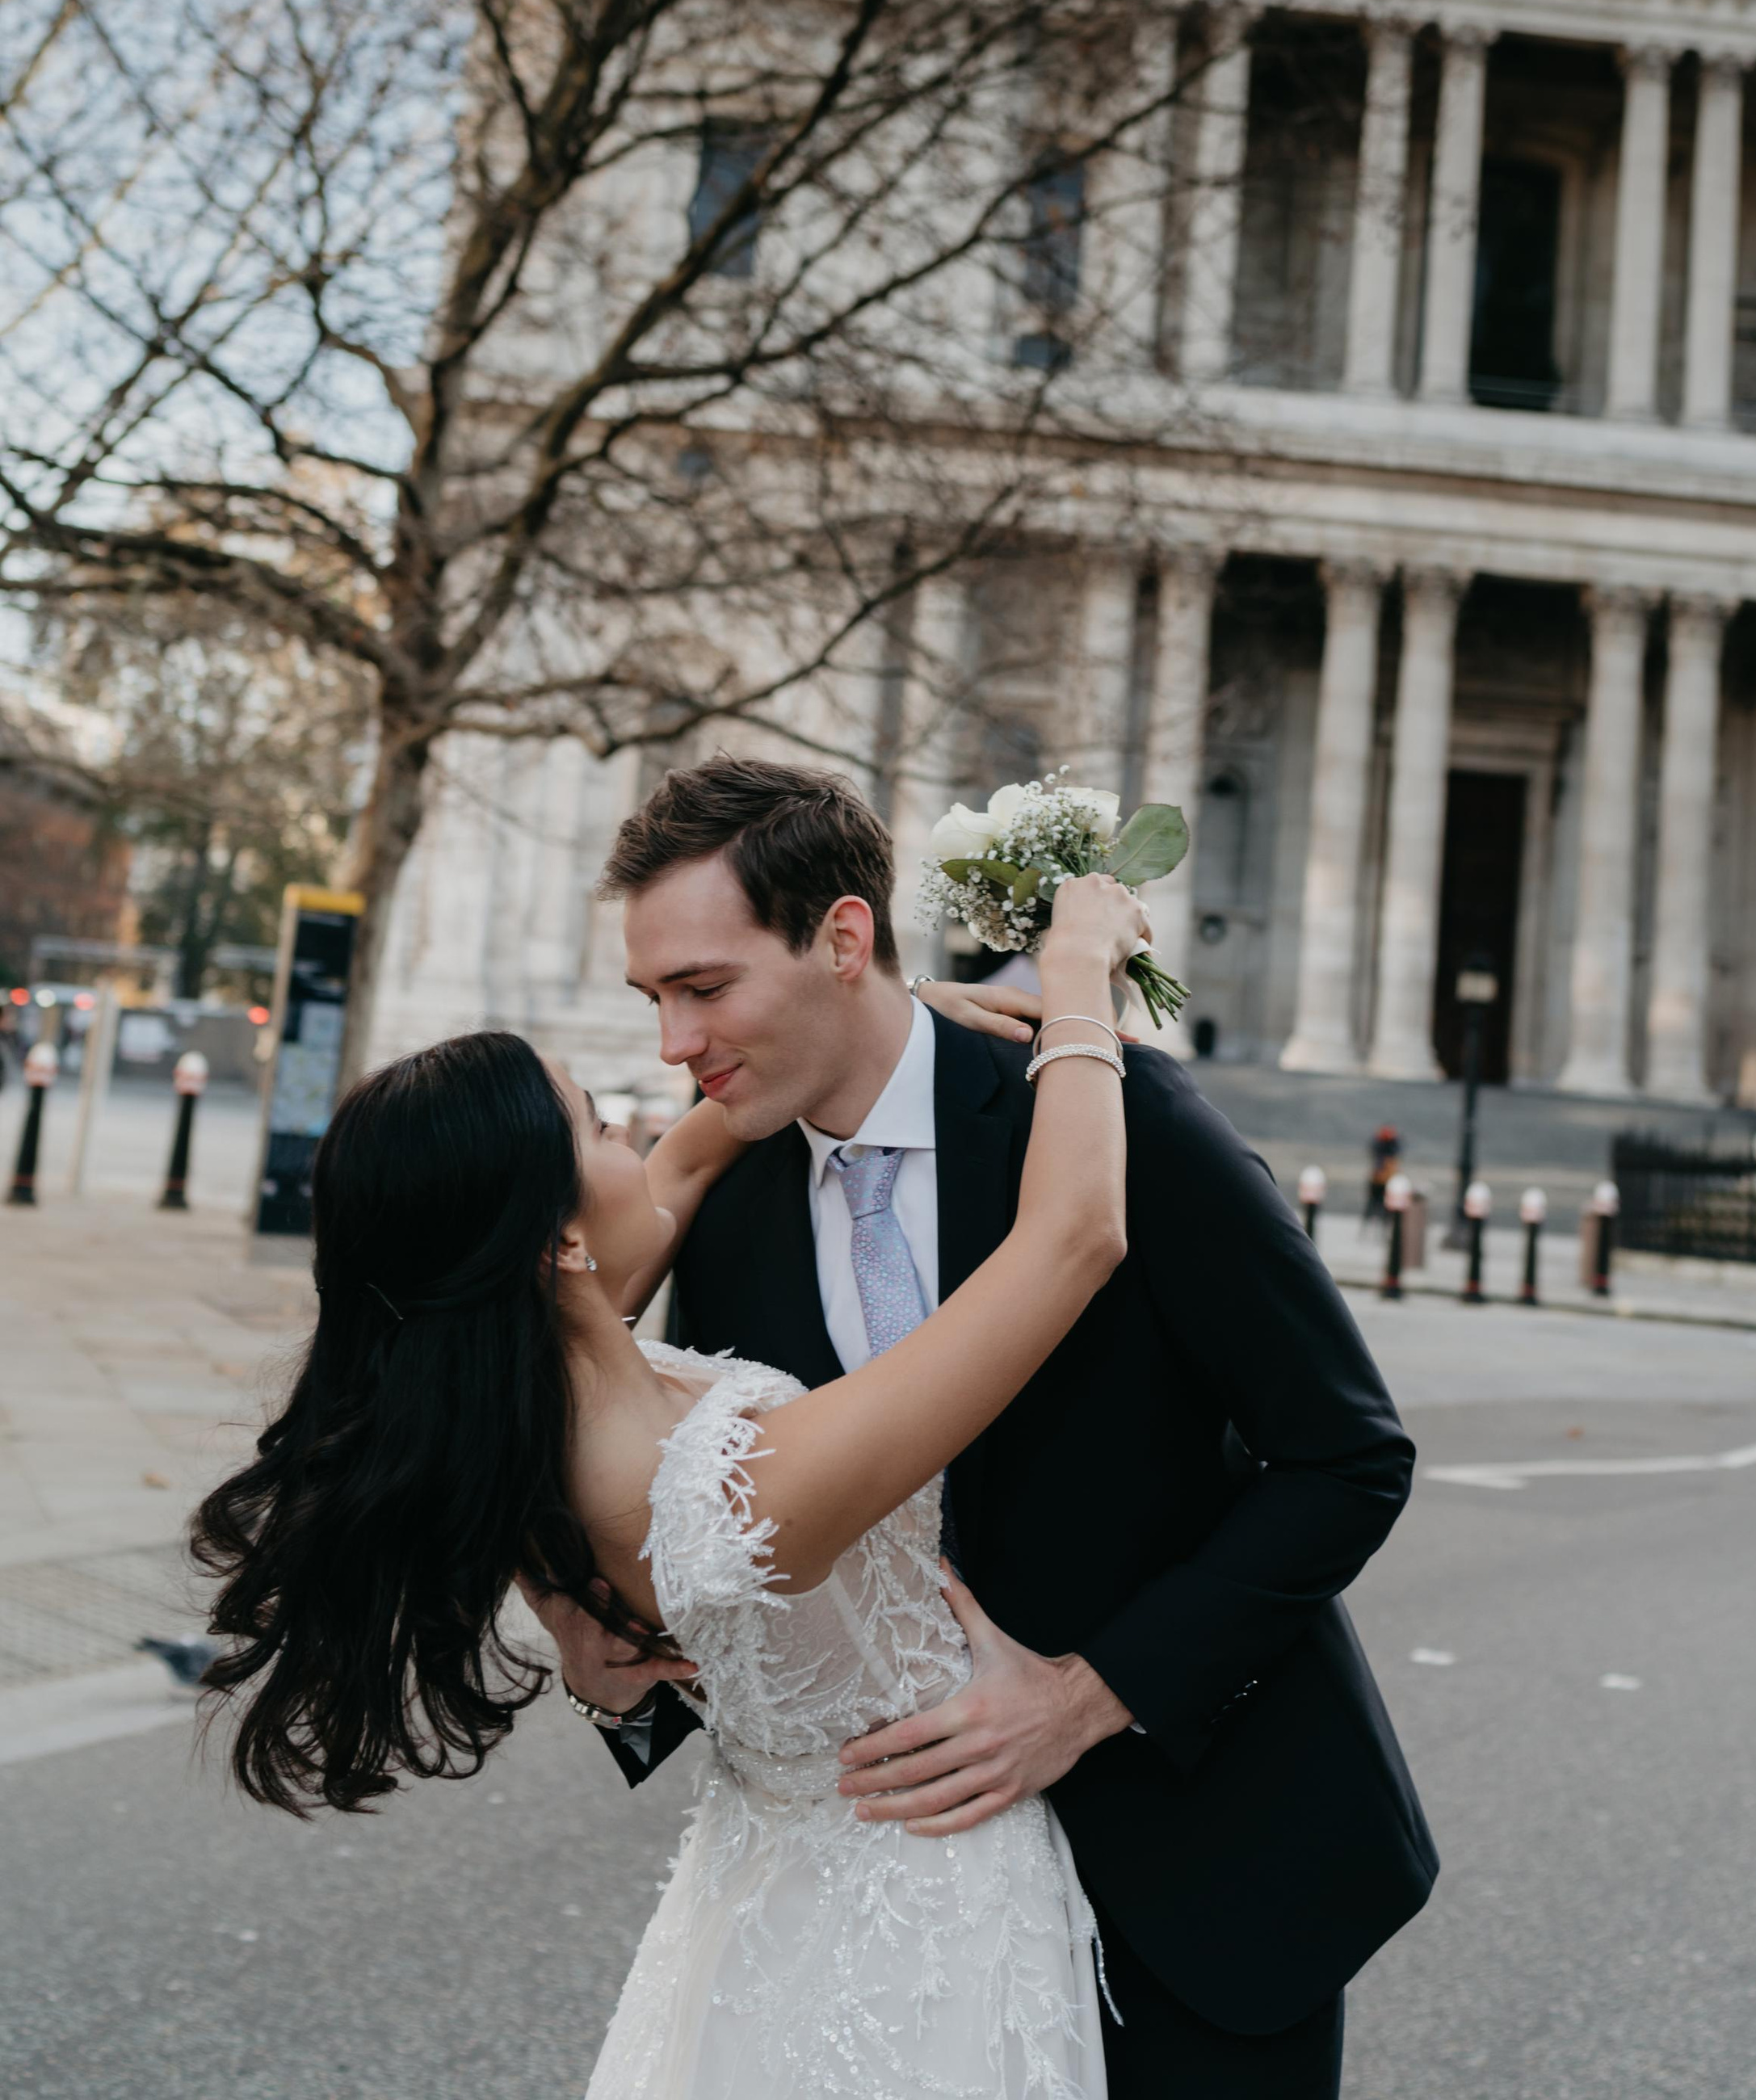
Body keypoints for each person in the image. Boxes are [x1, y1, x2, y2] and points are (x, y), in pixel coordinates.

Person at [541, 758, 1435, 2099]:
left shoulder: (1114, 1115)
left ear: (844, 937)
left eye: (705, 987)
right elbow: (693, 1504)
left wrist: (1089, 1696)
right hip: (895, 1929)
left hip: (1195, 1871)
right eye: (653, 997)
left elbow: (1348, 1455)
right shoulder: (720, 1207)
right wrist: (602, 1646)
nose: (675, 1042)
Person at [194, 862, 1153, 2096]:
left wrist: (889, 1018)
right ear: (555, 1240)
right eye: (599, 1126)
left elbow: (695, 1153)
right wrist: (1075, 973)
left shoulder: (539, 1416)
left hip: (764, 1901)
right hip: (917, 1917)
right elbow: (1075, 1234)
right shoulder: (741, 1489)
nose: (647, 1124)